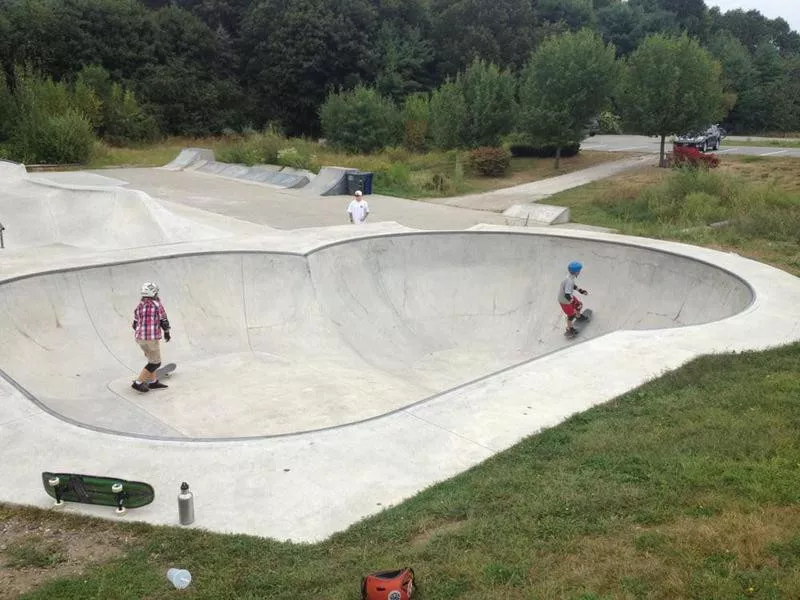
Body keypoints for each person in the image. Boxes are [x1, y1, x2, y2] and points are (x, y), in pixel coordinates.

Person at [131, 282, 172, 393]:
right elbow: (164, 321)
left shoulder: (139, 306)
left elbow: (134, 324)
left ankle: (152, 382)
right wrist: (167, 333)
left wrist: (142, 335)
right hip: (151, 339)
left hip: (140, 339)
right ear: (154, 293)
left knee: (151, 359)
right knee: (155, 363)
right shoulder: (157, 305)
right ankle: (138, 383)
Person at [558, 261, 589, 336]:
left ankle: (578, 316)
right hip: (564, 300)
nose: (579, 272)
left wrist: (581, 291)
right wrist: (573, 303)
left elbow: (573, 286)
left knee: (579, 305)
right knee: (571, 315)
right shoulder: (569, 280)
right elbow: (567, 295)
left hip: (568, 297)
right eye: (579, 271)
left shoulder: (570, 276)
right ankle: (569, 329)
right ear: (576, 272)